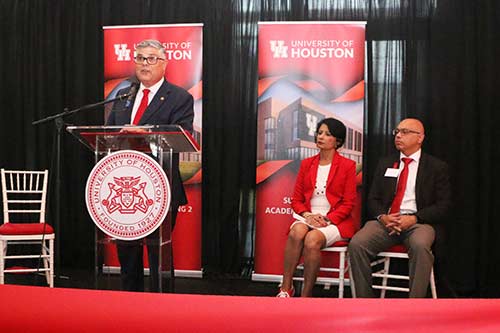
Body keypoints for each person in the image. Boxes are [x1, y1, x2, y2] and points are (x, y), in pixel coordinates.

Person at [106, 39, 194, 292]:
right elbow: (111, 134)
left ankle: (162, 305)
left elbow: (183, 135)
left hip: (160, 186)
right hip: (125, 186)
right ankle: (130, 303)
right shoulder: (124, 96)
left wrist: (146, 132)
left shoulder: (179, 97)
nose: (145, 63)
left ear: (164, 64)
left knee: (159, 251)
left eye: (152, 58)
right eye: (140, 58)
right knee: (127, 252)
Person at [348, 118, 451, 298]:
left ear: (420, 138)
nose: (398, 136)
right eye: (397, 132)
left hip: (419, 223)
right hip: (386, 222)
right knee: (357, 244)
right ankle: (364, 302)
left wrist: (414, 218)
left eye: (405, 132)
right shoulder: (385, 163)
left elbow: (443, 206)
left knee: (420, 246)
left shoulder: (436, 167)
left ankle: (414, 306)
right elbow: (373, 198)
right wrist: (383, 216)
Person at [276, 118, 357, 297]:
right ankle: (286, 288)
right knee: (296, 232)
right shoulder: (307, 164)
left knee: (312, 239)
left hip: (335, 220)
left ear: (338, 141)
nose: (321, 137)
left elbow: (348, 203)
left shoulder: (347, 166)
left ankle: (306, 296)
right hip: (308, 216)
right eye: (319, 133)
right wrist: (308, 215)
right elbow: (296, 200)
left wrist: (327, 219)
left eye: (327, 134)